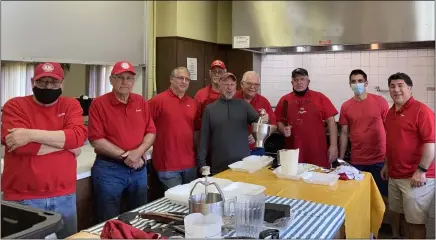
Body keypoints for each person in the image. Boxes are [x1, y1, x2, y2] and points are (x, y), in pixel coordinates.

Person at [1, 62, 87, 238]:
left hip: (65, 196)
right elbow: (19, 146)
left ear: (62, 83)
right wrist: (67, 145)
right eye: (42, 82)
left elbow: (78, 137)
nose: (48, 86)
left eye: (54, 82)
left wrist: (30, 134)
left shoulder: (70, 105)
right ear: (33, 82)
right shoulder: (14, 106)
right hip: (22, 198)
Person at [88, 61, 156, 222]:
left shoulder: (140, 102)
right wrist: (127, 156)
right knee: (109, 219)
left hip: (138, 169)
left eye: (129, 78)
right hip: (109, 170)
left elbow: (151, 132)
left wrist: (138, 153)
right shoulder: (99, 104)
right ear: (111, 80)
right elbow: (96, 140)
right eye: (120, 78)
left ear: (133, 81)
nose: (125, 82)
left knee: (139, 216)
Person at [382, 72, 435, 239]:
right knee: (400, 215)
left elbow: (430, 144)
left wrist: (421, 170)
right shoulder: (390, 113)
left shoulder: (422, 110)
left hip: (416, 177)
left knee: (416, 222)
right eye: (392, 86)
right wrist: (386, 164)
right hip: (395, 174)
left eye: (400, 85)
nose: (396, 89)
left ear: (410, 88)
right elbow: (392, 142)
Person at [196, 72, 268, 175]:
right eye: (226, 84)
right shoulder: (210, 109)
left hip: (243, 166)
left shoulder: (243, 106)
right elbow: (204, 139)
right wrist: (201, 164)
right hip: (219, 166)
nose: (229, 88)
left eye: (232, 85)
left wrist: (264, 119)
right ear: (219, 86)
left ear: (235, 87)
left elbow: (259, 123)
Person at [274, 68, 338, 169]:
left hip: (317, 151)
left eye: (302, 79)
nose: (299, 82)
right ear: (292, 82)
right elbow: (279, 121)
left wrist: (333, 145)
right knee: (294, 180)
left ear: (308, 81)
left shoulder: (319, 97)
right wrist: (283, 130)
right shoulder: (285, 100)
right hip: (293, 152)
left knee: (318, 180)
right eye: (296, 80)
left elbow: (331, 121)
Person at [339, 69, 389, 196]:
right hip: (358, 160)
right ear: (350, 85)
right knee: (360, 196)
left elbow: (389, 129)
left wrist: (389, 158)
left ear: (366, 83)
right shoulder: (346, 106)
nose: (357, 84)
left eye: (360, 81)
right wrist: (341, 158)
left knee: (382, 195)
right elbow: (344, 133)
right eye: (353, 82)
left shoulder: (379, 101)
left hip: (379, 159)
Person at [149, 67, 198, 190]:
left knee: (190, 204)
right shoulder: (157, 101)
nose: (184, 82)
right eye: (180, 78)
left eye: (187, 79)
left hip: (190, 163)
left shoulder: (192, 104)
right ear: (171, 79)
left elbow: (196, 131)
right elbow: (142, 127)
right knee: (176, 205)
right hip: (167, 165)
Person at [234, 71, 277, 156]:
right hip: (234, 149)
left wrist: (259, 134)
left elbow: (274, 127)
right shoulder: (233, 99)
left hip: (257, 150)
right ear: (242, 84)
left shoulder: (264, 102)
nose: (252, 87)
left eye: (256, 84)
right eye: (249, 83)